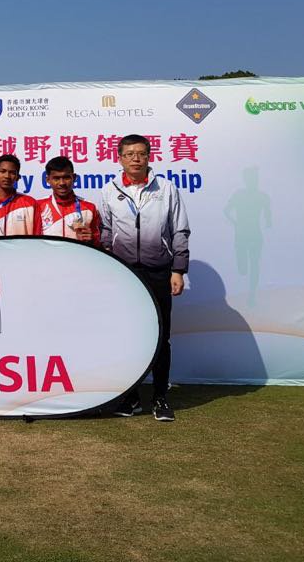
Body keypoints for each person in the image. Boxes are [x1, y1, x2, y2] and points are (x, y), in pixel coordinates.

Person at [100, 135, 190, 422]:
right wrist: (107, 268)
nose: (136, 159)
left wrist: (178, 270)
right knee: (128, 336)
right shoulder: (109, 191)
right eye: (130, 154)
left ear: (149, 157)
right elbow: (104, 232)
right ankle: (131, 397)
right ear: (120, 158)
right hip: (124, 274)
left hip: (158, 271)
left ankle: (161, 397)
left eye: (141, 153)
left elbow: (180, 231)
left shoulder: (166, 189)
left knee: (160, 337)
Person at [35, 156, 101, 246]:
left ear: (74, 177)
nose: (62, 183)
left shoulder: (89, 207)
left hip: (78, 258)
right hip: (48, 258)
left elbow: (98, 243)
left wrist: (92, 239)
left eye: (66, 177)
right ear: (48, 180)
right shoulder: (38, 206)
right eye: (56, 178)